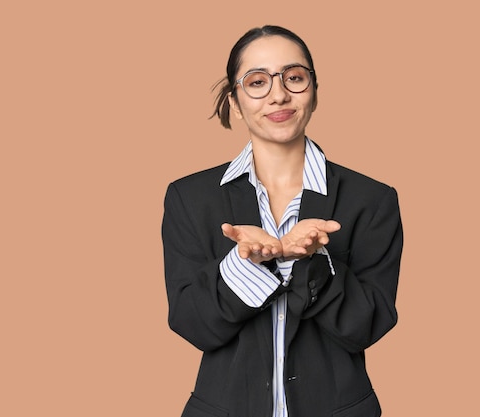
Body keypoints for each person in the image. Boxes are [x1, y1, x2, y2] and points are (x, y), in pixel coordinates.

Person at [162, 25, 403, 417]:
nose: (279, 94)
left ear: (314, 91)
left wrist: (312, 263)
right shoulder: (189, 198)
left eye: (294, 77)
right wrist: (247, 265)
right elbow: (193, 323)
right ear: (235, 102)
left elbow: (368, 326)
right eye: (257, 81)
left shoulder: (373, 200)